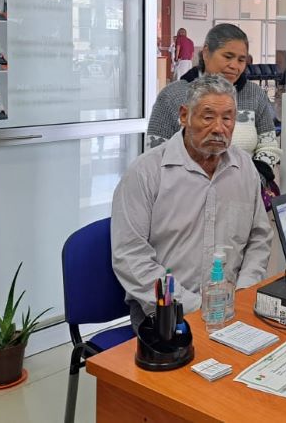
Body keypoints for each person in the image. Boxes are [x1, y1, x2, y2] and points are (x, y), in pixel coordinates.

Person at [112, 75, 272, 329]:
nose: (219, 128)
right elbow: (131, 257)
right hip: (165, 314)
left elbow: (259, 237)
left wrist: (243, 293)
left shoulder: (245, 168)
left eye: (228, 118)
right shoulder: (147, 172)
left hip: (233, 309)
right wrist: (195, 307)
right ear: (184, 115)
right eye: (208, 117)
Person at [147, 24, 281, 197]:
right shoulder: (173, 96)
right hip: (186, 198)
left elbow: (269, 145)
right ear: (206, 53)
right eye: (227, 56)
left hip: (244, 192)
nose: (235, 66)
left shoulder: (255, 95)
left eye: (241, 60)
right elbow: (155, 155)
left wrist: (254, 178)